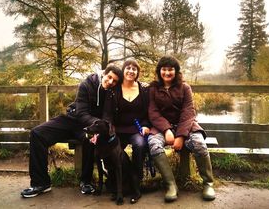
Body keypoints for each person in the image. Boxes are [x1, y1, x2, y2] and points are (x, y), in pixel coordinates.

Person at [20, 65, 123, 198]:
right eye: (109, 77)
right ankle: (41, 183)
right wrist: (96, 123)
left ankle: (86, 181)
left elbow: (107, 116)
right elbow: (81, 113)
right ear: (104, 74)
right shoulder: (86, 85)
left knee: (89, 139)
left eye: (114, 81)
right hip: (72, 120)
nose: (110, 82)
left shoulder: (112, 92)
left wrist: (97, 130)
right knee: (37, 133)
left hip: (89, 128)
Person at [148, 55, 216, 202]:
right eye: (164, 69)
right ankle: (171, 185)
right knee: (153, 144)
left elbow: (188, 112)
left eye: (170, 69)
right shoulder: (153, 88)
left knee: (199, 143)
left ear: (176, 71)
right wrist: (166, 130)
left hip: (185, 126)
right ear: (159, 71)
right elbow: (153, 112)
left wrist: (180, 136)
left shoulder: (185, 88)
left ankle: (208, 183)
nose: (167, 73)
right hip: (161, 127)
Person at [103, 58, 150, 204]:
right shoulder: (114, 90)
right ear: (123, 71)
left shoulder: (144, 90)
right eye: (128, 68)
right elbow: (107, 114)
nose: (131, 71)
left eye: (134, 69)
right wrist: (109, 130)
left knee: (140, 145)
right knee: (111, 150)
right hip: (117, 131)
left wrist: (146, 125)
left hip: (137, 129)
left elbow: (149, 112)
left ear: (137, 72)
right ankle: (118, 185)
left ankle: (136, 185)